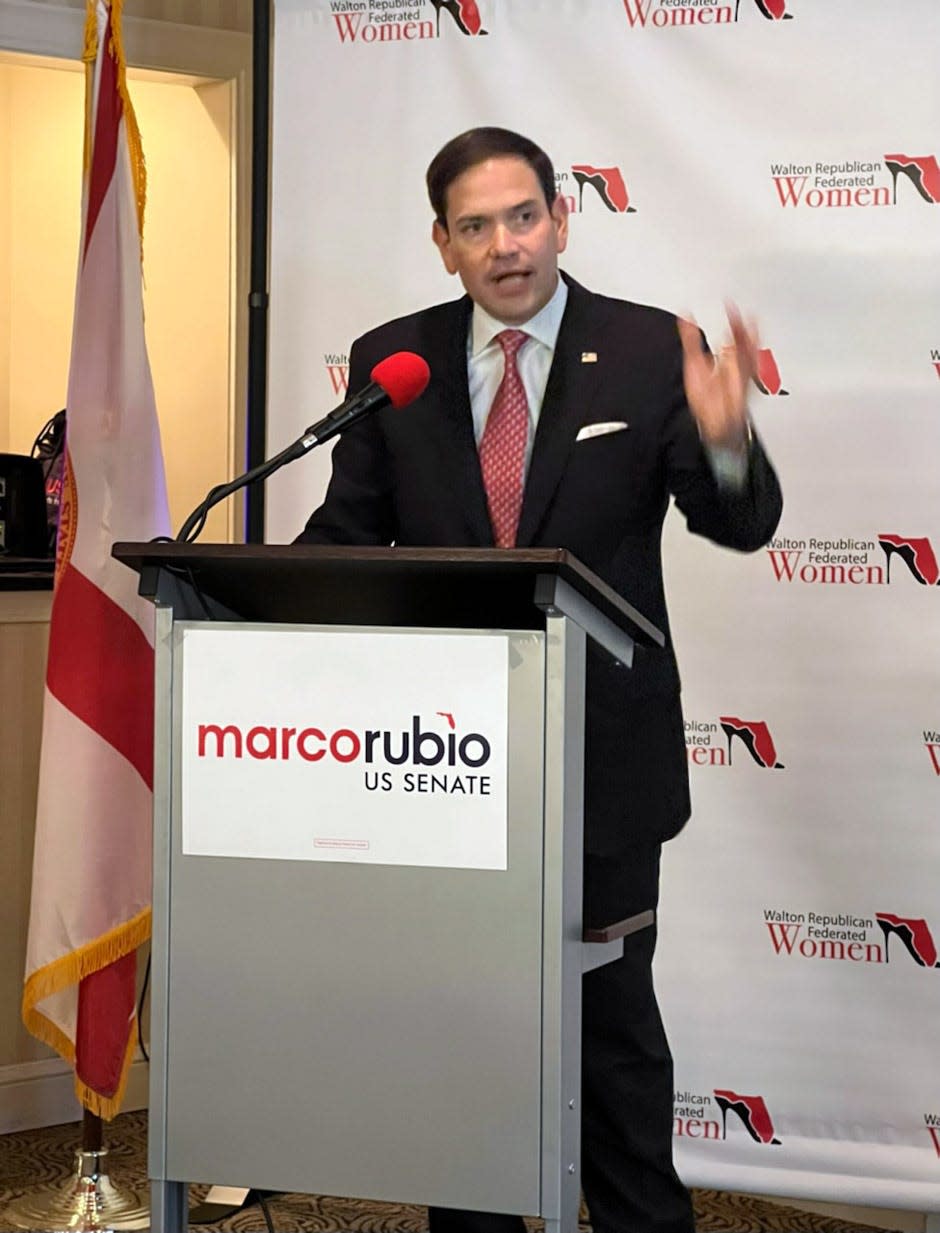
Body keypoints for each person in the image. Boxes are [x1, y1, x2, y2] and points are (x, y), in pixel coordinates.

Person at [296, 127, 782, 1233]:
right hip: (439, 771)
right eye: (477, 226)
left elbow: (741, 524)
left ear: (561, 219)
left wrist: (726, 444)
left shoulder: (655, 351)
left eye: (523, 217)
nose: (506, 246)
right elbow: (344, 539)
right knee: (465, 1048)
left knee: (609, 1045)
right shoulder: (395, 364)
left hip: (600, 768)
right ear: (442, 245)